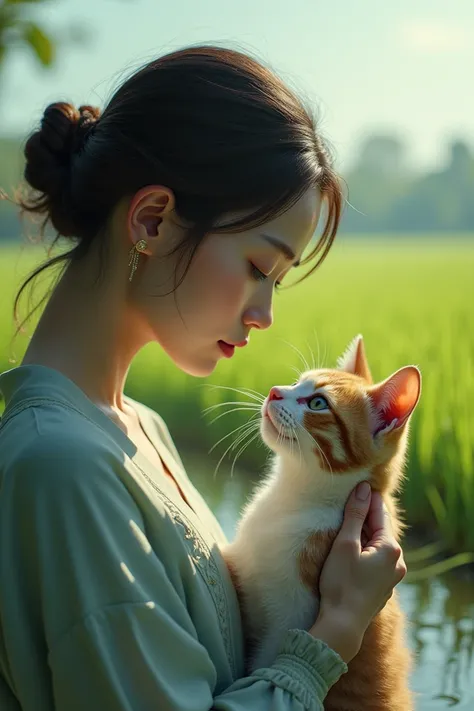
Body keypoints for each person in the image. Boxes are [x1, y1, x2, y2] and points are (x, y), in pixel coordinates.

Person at [0, 45, 406, 711]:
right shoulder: (63, 466)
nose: (265, 313)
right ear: (152, 220)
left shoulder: (137, 427)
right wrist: (335, 633)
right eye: (258, 265)